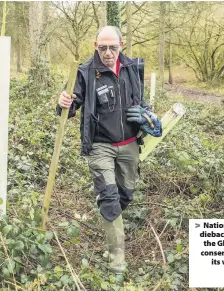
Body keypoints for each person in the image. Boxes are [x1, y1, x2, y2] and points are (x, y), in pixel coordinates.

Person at [56, 26, 161, 274]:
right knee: (111, 198)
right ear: (95, 46)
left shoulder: (132, 69)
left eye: (112, 47)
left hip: (129, 145)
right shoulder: (85, 72)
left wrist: (150, 116)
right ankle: (117, 262)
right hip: (100, 146)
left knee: (126, 193)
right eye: (102, 48)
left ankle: (106, 207)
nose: (108, 53)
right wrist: (63, 104)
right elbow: (70, 107)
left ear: (121, 45)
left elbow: (140, 102)